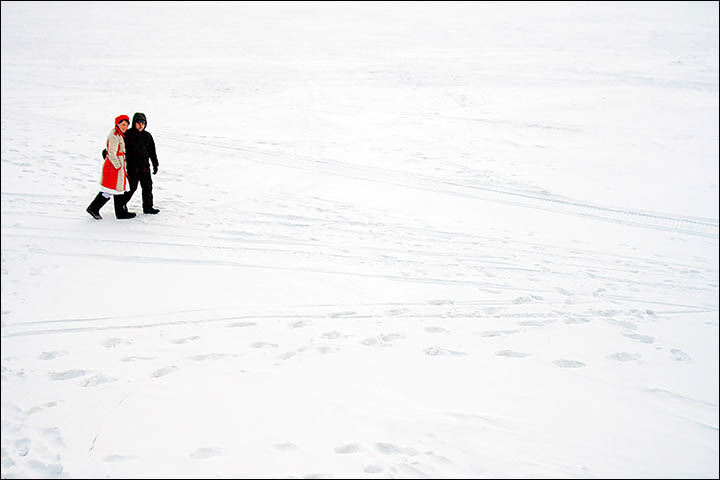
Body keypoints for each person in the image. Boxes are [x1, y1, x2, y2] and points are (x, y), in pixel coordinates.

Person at [86, 115, 136, 220]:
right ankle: (95, 208)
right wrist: (118, 165)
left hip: (117, 165)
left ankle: (119, 212)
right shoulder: (114, 136)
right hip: (114, 167)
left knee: (117, 189)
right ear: (118, 124)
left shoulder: (119, 134)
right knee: (112, 189)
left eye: (126, 125)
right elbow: (112, 153)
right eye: (123, 124)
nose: (125, 127)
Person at [120, 112, 160, 214]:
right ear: (134, 123)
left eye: (143, 123)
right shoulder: (127, 134)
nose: (141, 125)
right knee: (132, 188)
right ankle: (121, 205)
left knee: (147, 187)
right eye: (138, 122)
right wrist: (106, 152)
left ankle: (148, 207)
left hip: (145, 167)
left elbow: (152, 151)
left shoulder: (147, 136)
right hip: (133, 167)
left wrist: (155, 164)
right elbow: (116, 144)